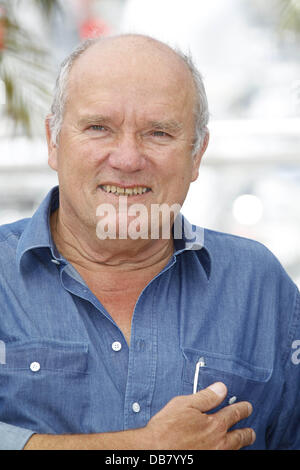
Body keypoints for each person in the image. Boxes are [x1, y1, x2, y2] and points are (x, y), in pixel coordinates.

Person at [0, 34, 299, 451]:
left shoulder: (257, 285)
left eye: (158, 133)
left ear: (196, 154)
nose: (126, 159)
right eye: (99, 127)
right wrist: (144, 450)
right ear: (54, 140)